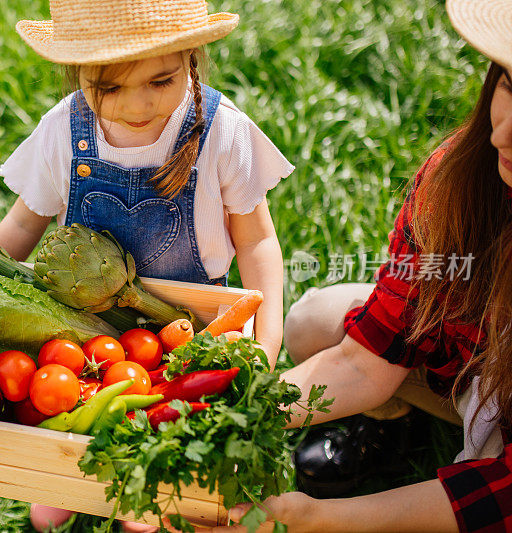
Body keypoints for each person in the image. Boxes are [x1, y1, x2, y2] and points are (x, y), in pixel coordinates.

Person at [166, 0, 512, 530]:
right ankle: (398, 426)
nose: (502, 133)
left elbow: (501, 497)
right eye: (508, 84)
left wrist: (324, 519)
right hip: (479, 372)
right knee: (311, 324)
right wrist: (235, 413)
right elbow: (365, 357)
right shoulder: (461, 183)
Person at [0, 1, 294, 530]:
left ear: (191, 60)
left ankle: (150, 496)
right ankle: (82, 476)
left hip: (195, 330)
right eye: (109, 87)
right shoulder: (64, 131)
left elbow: (258, 242)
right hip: (90, 333)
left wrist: (267, 340)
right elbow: (22, 226)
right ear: (78, 74)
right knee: (75, 441)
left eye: (162, 79)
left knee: (181, 459)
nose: (137, 105)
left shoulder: (221, 131)